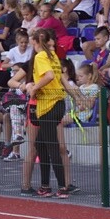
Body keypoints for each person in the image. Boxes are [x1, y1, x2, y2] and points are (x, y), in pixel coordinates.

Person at [20, 29, 72, 198]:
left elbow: (49, 76)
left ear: (35, 42)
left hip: (48, 105)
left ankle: (62, 187)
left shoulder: (41, 56)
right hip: (56, 103)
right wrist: (77, 97)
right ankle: (45, 186)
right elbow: (61, 80)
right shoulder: (53, 56)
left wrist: (34, 88)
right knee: (41, 145)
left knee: (51, 147)